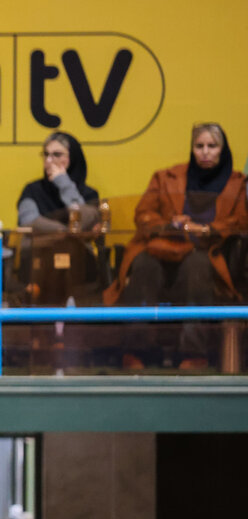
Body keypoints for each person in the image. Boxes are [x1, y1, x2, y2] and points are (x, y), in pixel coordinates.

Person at [104, 122, 248, 369]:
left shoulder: (237, 183)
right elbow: (143, 214)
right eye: (199, 146)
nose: (205, 152)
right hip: (163, 247)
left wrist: (207, 229)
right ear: (191, 149)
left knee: (197, 265)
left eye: (212, 146)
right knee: (144, 265)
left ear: (222, 150)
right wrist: (170, 224)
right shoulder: (165, 178)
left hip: (206, 252)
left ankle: (193, 352)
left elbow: (241, 221)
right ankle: (136, 350)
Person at [17, 131, 100, 230]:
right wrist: (65, 232)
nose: (48, 160)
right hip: (44, 241)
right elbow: (28, 221)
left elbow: (85, 221)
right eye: (46, 154)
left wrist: (63, 183)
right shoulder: (32, 190)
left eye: (57, 154)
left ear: (72, 157)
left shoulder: (89, 194)